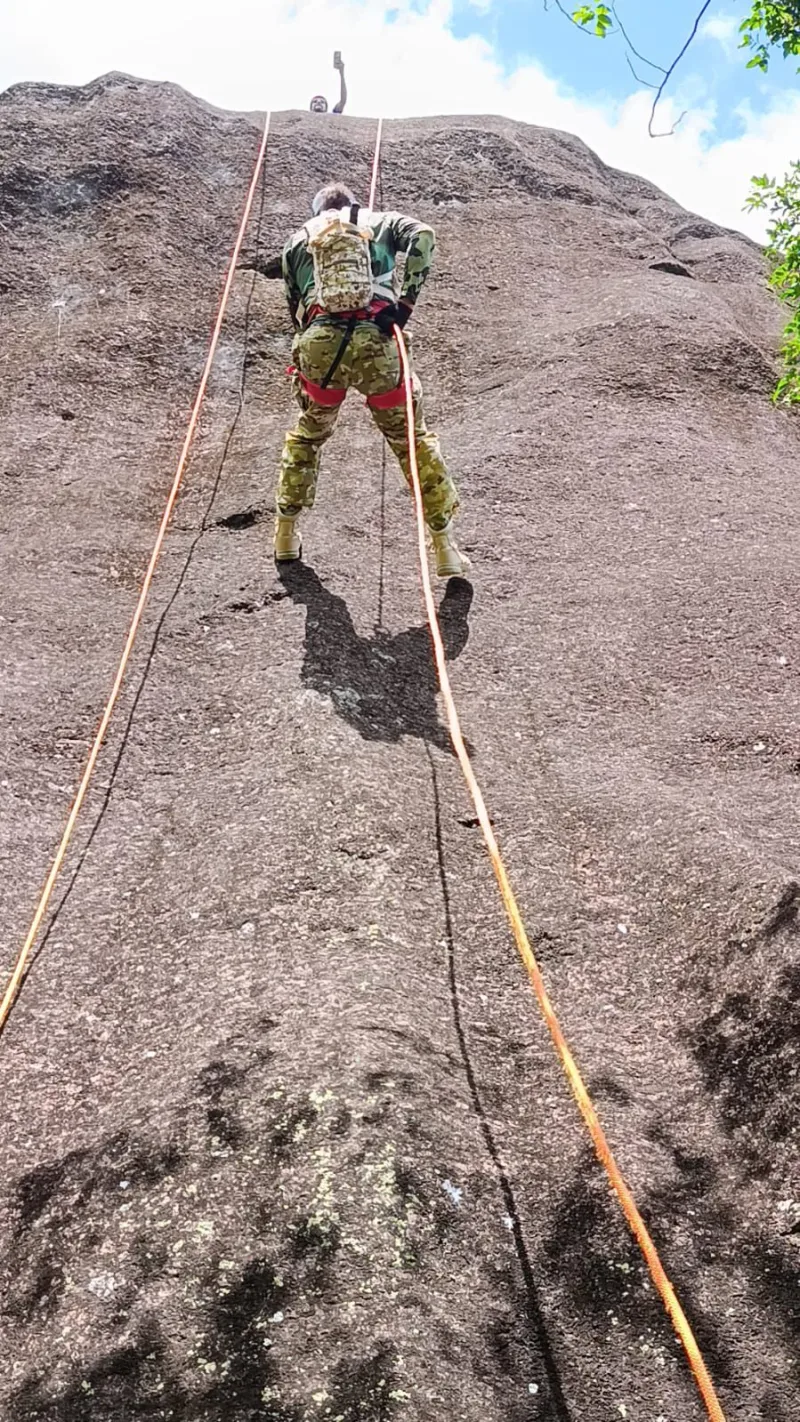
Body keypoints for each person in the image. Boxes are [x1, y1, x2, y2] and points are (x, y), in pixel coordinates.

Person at [274, 181, 468, 578]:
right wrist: (405, 303)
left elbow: (295, 308)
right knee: (411, 441)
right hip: (377, 343)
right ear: (353, 204)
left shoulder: (297, 241)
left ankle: (285, 534)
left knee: (308, 436)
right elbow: (424, 236)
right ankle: (445, 549)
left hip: (320, 348)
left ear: (317, 213)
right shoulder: (380, 221)